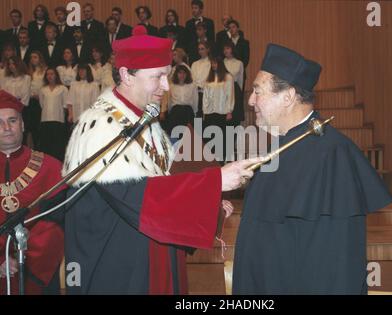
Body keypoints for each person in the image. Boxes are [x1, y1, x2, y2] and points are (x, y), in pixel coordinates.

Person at [62, 25, 258, 295]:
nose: (166, 86)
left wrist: (206, 202)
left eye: (166, 76)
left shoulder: (144, 120)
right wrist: (215, 181)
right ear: (126, 76)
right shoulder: (101, 127)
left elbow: (159, 184)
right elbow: (137, 197)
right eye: (158, 77)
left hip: (147, 253)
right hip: (118, 265)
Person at [232, 44, 392, 295]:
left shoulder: (334, 155)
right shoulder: (283, 143)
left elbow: (337, 264)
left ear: (288, 97)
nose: (251, 99)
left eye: (257, 90)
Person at [0, 90, 64, 295]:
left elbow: (57, 222)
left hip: (36, 269)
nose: (6, 128)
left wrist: (26, 256)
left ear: (23, 124)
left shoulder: (51, 168)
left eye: (12, 120)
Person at [202, 55, 234, 162]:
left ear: (220, 64)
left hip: (222, 112)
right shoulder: (209, 78)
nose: (213, 65)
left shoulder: (228, 77)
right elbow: (205, 96)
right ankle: (212, 161)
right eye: (212, 63)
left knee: (222, 138)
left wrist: (229, 110)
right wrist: (205, 111)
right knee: (211, 137)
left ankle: (221, 160)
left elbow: (230, 95)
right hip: (211, 113)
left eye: (215, 63)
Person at [38, 68, 68, 161]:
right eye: (48, 74)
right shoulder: (43, 89)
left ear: (56, 75)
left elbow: (65, 104)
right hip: (45, 119)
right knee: (47, 144)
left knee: (57, 144)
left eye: (52, 74)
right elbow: (42, 104)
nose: (50, 76)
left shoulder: (63, 88)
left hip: (58, 119)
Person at [223, 41, 245, 125]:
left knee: (235, 118)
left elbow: (240, 81)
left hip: (235, 89)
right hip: (223, 89)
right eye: (224, 49)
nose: (225, 51)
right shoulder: (221, 63)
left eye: (227, 48)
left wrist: (238, 93)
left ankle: (235, 137)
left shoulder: (239, 63)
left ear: (232, 49)